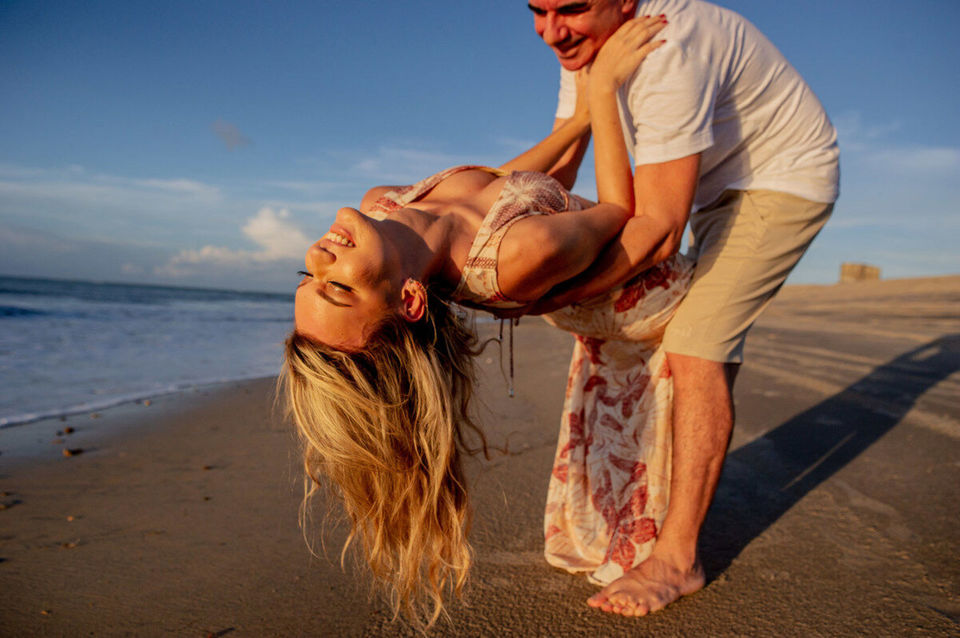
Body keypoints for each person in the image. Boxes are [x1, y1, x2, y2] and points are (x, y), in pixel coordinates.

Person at [281, 17, 683, 629]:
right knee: (675, 397)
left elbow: (505, 185)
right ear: (410, 301)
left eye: (306, 276)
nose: (318, 256)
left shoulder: (383, 203)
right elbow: (621, 213)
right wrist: (602, 91)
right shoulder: (520, 255)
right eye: (338, 286)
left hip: (583, 264)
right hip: (638, 289)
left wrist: (578, 120)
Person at [524, 0, 839, 617]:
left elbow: (660, 231)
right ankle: (651, 505)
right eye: (537, 10)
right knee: (686, 333)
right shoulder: (583, 45)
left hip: (781, 180)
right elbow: (558, 176)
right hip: (709, 190)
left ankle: (676, 560)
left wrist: (559, 295)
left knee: (696, 343)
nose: (552, 31)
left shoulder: (669, 47)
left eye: (572, 9)